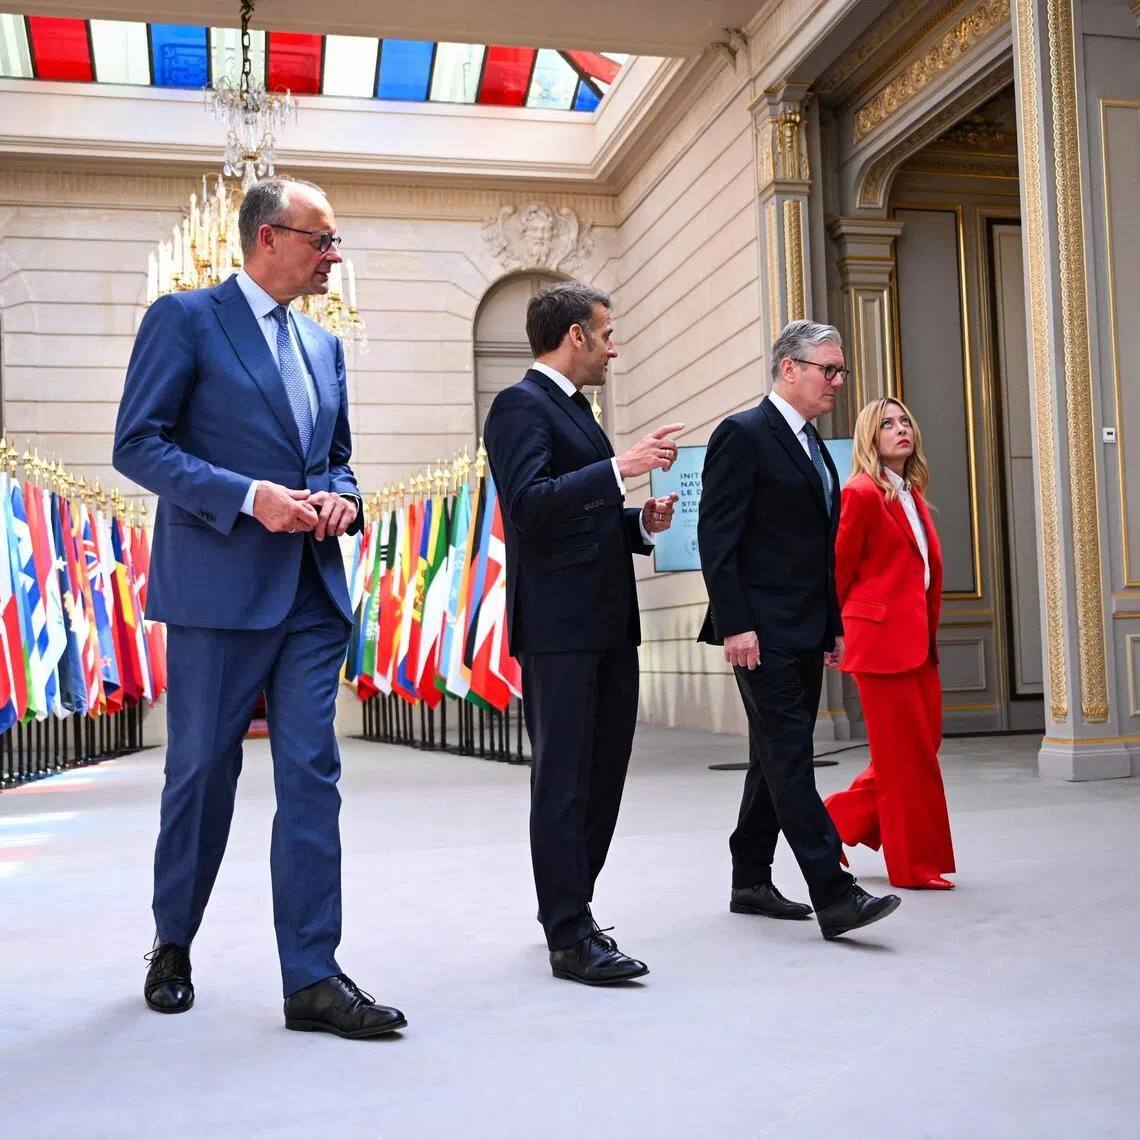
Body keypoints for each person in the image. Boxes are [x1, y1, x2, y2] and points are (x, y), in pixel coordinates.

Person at [113, 178, 406, 1038]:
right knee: (202, 773)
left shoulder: (325, 349)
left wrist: (341, 498)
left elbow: (339, 458)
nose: (333, 255)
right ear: (269, 238)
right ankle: (174, 942)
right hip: (217, 593)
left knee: (313, 772)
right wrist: (250, 498)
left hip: (312, 591)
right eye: (323, 240)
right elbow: (139, 444)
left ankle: (312, 976)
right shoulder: (186, 319)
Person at [483, 282, 682, 985]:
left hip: (605, 623)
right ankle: (566, 933)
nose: (613, 345)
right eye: (606, 332)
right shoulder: (518, 406)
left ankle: (577, 908)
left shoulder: (578, 412)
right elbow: (530, 509)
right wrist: (617, 468)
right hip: (561, 629)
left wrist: (637, 523)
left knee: (603, 775)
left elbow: (585, 514)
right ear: (574, 336)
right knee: (564, 782)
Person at [697, 319, 901, 941]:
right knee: (790, 757)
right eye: (828, 370)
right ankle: (834, 894)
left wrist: (832, 624)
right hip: (758, 632)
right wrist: (735, 623)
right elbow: (718, 536)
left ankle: (749, 880)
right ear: (790, 369)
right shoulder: (743, 434)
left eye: (840, 370)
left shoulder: (814, 444)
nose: (838, 381)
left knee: (771, 756)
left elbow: (818, 551)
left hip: (805, 627)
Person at [824, 398, 955, 890]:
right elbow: (838, 570)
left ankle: (832, 822)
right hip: (879, 645)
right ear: (869, 438)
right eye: (887, 424)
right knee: (904, 759)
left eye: (905, 422)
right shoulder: (860, 493)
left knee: (921, 748)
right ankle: (913, 866)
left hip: (916, 644)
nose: (900, 429)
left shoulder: (912, 494)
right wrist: (830, 634)